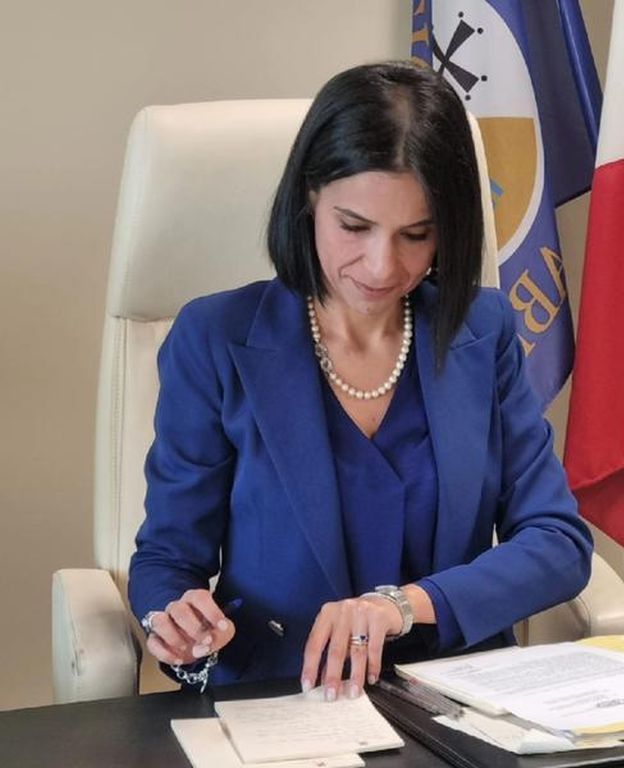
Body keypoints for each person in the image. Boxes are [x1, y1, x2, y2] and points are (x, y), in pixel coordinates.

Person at [127, 61, 593, 700]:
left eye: (416, 235)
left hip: (456, 696)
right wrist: (174, 618)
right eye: (354, 227)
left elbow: (557, 542)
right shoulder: (214, 338)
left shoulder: (482, 332)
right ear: (309, 197)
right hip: (280, 697)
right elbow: (167, 559)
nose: (381, 266)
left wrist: (402, 606)